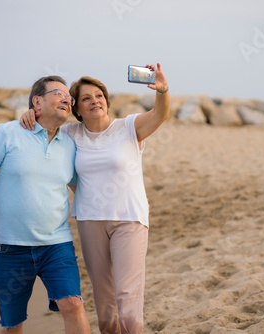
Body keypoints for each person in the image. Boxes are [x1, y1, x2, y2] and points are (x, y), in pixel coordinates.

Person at [20, 63, 170, 333]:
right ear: (76, 109)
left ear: (107, 101)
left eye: (99, 96)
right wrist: (32, 112)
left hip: (129, 219)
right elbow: (43, 127)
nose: (94, 101)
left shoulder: (129, 126)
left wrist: (162, 91)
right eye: (86, 98)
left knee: (127, 294)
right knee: (103, 297)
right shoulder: (69, 134)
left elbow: (160, 115)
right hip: (90, 220)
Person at [0, 75, 91, 334]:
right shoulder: (7, 133)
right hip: (8, 248)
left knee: (73, 305)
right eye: (58, 93)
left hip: (56, 245)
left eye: (69, 96)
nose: (67, 99)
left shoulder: (70, 144)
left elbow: (83, 189)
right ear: (37, 101)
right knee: (12, 323)